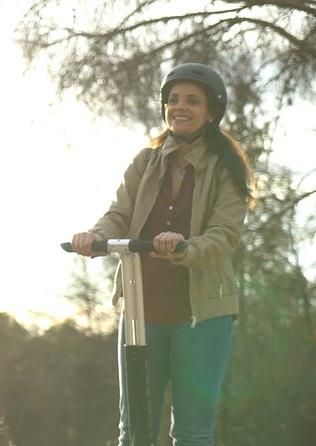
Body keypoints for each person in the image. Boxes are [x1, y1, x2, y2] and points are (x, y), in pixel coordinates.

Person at [69, 63, 255, 445]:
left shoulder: (226, 168)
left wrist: (186, 247)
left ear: (211, 112)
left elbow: (225, 233)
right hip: (142, 310)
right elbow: (119, 213)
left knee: (190, 432)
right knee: (135, 430)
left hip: (201, 317)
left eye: (192, 100)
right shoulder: (146, 161)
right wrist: (96, 236)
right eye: (173, 100)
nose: (179, 107)